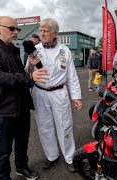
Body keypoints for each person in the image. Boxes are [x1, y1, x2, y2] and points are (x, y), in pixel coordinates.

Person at [0, 16, 48, 180]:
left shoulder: (15, 50)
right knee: (3, 149)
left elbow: (20, 75)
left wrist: (31, 68)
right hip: (3, 109)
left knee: (22, 141)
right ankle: (2, 177)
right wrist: (29, 78)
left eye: (17, 29)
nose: (16, 32)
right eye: (11, 28)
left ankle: (22, 167)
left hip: (22, 106)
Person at [25, 18, 82, 172]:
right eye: (41, 30)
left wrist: (76, 96)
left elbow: (72, 75)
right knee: (45, 127)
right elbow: (27, 73)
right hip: (40, 93)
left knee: (65, 126)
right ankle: (52, 155)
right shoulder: (34, 49)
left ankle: (69, 157)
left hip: (59, 93)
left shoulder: (65, 51)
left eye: (46, 31)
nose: (42, 33)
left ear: (55, 34)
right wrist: (31, 64)